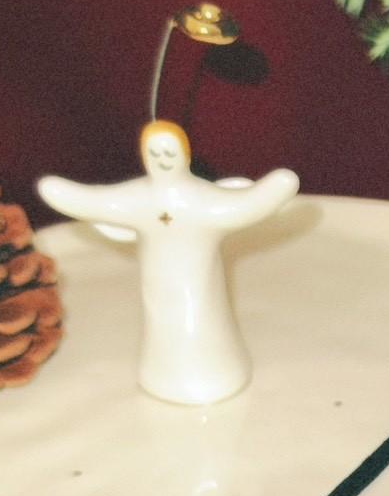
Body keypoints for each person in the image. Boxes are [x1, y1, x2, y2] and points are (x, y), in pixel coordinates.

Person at [39, 120, 299, 404]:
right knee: (165, 323)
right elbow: (93, 201)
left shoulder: (202, 199)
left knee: (201, 316)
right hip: (159, 286)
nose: (162, 159)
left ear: (184, 155)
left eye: (169, 152)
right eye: (154, 153)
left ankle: (216, 372)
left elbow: (244, 205)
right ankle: (165, 375)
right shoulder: (141, 197)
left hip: (200, 283)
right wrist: (58, 191)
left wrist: (277, 187)